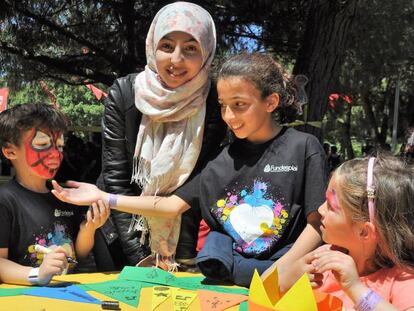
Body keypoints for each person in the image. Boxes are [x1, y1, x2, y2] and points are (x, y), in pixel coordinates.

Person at [51, 52, 327, 287]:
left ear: (271, 102)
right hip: (229, 280)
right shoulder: (219, 160)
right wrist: (104, 197)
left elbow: (317, 222)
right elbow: (170, 205)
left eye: (239, 105)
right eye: (223, 106)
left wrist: (281, 272)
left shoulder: (304, 147)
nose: (230, 116)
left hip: (290, 275)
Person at [95, 1, 226, 272]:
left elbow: (198, 184)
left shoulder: (214, 100)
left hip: (183, 242)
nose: (175, 60)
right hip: (121, 234)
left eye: (190, 48)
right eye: (166, 46)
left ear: (207, 52)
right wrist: (142, 259)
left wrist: (181, 255)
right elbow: (116, 180)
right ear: (153, 46)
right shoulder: (124, 93)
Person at [0, 103, 110, 286]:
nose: (56, 155)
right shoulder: (5, 200)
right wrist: (36, 274)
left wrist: (88, 228)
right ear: (10, 151)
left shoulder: (64, 194)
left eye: (59, 146)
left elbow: (78, 254)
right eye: (42, 144)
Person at [288, 155, 414, 310]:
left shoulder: (403, 280)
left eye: (330, 206)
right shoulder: (324, 257)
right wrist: (291, 277)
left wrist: (355, 288)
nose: (320, 209)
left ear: (364, 232)